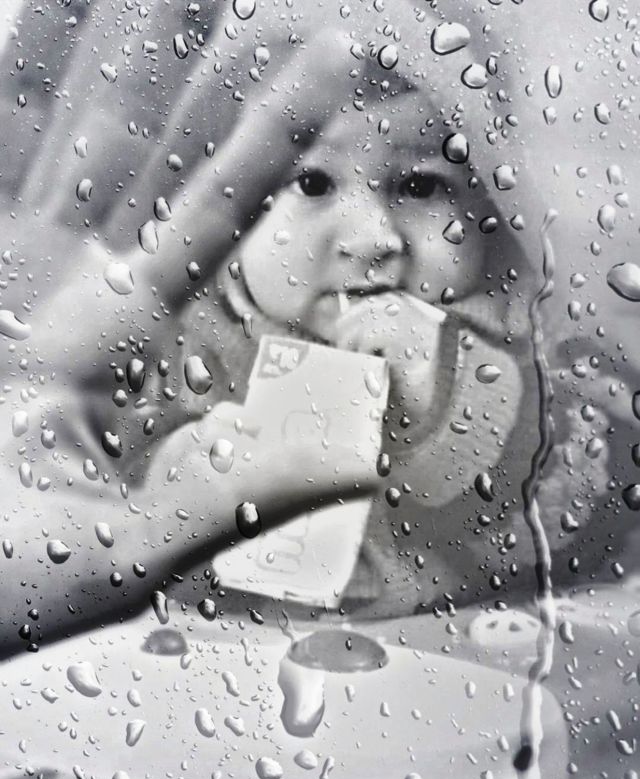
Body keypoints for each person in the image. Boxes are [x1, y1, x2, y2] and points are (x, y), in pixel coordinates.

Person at [0, 0, 631, 656]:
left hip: (443, 672)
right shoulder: (178, 347)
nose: (372, 238)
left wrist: (457, 392)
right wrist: (167, 477)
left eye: (420, 186)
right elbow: (82, 481)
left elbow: (600, 486)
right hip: (203, 672)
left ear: (492, 210)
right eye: (311, 182)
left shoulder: (521, 342)